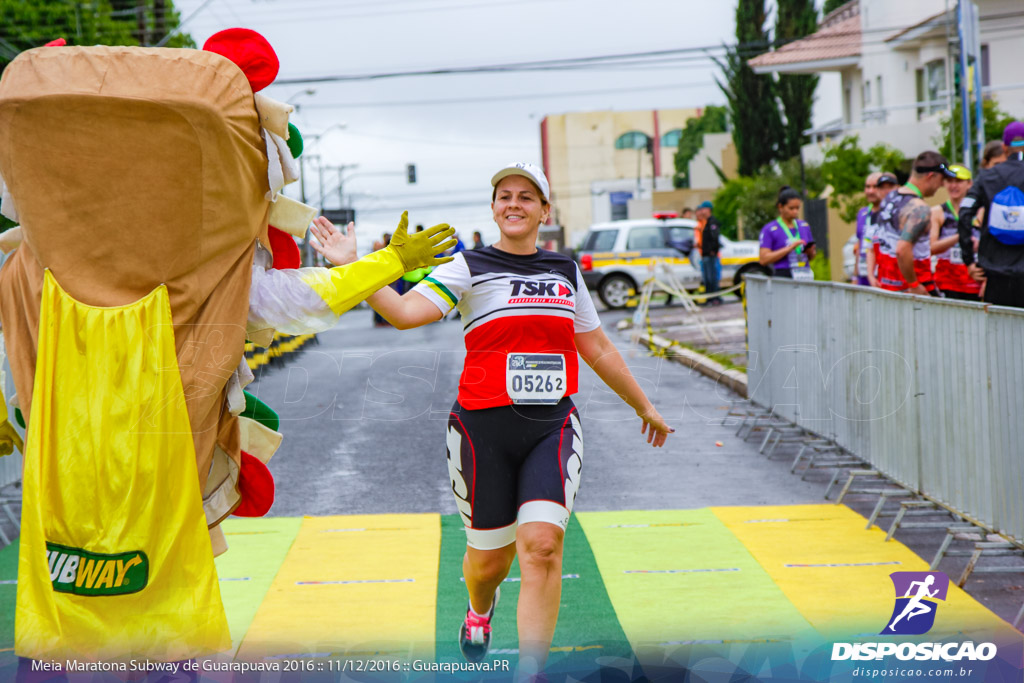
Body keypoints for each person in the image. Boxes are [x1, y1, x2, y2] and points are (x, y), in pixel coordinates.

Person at [311, 161, 673, 679]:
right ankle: (480, 608)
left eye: (527, 197)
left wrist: (645, 406)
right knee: (488, 565)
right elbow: (404, 313)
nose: (514, 204)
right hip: (481, 433)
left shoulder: (565, 271)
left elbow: (595, 346)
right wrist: (357, 266)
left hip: (552, 427)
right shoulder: (470, 266)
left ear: (545, 211)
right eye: (505, 195)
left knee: (543, 546)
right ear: (494, 207)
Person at [955, 121, 1024, 309]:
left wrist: (969, 260)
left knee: (998, 335)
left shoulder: (986, 177)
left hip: (995, 273)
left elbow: (964, 213)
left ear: (1004, 147)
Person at [873, 151, 955, 295]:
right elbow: (902, 249)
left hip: (888, 286)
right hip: (913, 290)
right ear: (931, 176)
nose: (942, 185)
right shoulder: (920, 209)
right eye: (942, 180)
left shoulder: (889, 197)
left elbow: (878, 242)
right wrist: (914, 284)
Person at [930, 164, 981, 301]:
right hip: (947, 282)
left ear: (969, 184)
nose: (953, 186)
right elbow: (931, 248)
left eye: (958, 181)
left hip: (974, 280)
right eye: (949, 181)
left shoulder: (980, 211)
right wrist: (960, 237)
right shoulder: (937, 212)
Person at [759, 187, 816, 280]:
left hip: (804, 273)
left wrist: (810, 252)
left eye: (797, 208)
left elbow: (811, 257)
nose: (795, 211)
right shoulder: (769, 229)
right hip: (783, 274)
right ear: (780, 207)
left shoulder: (804, 226)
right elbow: (763, 259)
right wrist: (789, 248)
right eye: (791, 208)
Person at [865, 173, 899, 288]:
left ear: (897, 187)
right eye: (882, 187)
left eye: (890, 187)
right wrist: (870, 275)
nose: (886, 191)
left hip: (902, 279)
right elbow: (870, 248)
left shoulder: (904, 211)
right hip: (882, 279)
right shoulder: (875, 215)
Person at [853, 173, 882, 286]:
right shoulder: (862, 213)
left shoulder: (889, 213)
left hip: (881, 275)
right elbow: (859, 244)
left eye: (875, 187)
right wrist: (855, 277)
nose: (870, 191)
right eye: (867, 187)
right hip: (863, 274)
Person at [695, 201, 722, 304]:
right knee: (707, 279)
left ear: (708, 209)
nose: (701, 211)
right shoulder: (705, 222)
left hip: (711, 255)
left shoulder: (712, 222)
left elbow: (715, 238)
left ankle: (715, 298)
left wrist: (712, 251)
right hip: (705, 254)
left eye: (703, 209)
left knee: (712, 278)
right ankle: (710, 298)